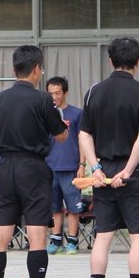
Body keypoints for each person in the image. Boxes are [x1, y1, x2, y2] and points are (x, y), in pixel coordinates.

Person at [77, 36, 139, 278]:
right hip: (134, 173)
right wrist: (128, 170)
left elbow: (84, 134)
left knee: (103, 235)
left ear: (110, 60)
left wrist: (96, 168)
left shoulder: (93, 92)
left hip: (103, 172)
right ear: (138, 60)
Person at [0, 45, 68, 278]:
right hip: (33, 168)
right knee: (37, 234)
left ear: (14, 70)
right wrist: (61, 126)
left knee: (1, 234)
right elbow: (61, 135)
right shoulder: (43, 99)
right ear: (36, 69)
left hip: (5, 168)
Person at [45, 76, 84, 255]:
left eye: (57, 93)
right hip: (50, 167)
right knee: (54, 207)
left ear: (65, 92)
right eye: (51, 93)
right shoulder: (45, 113)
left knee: (73, 207)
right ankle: (55, 240)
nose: (54, 97)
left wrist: (82, 164)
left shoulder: (76, 113)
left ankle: (72, 241)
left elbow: (83, 140)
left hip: (71, 167)